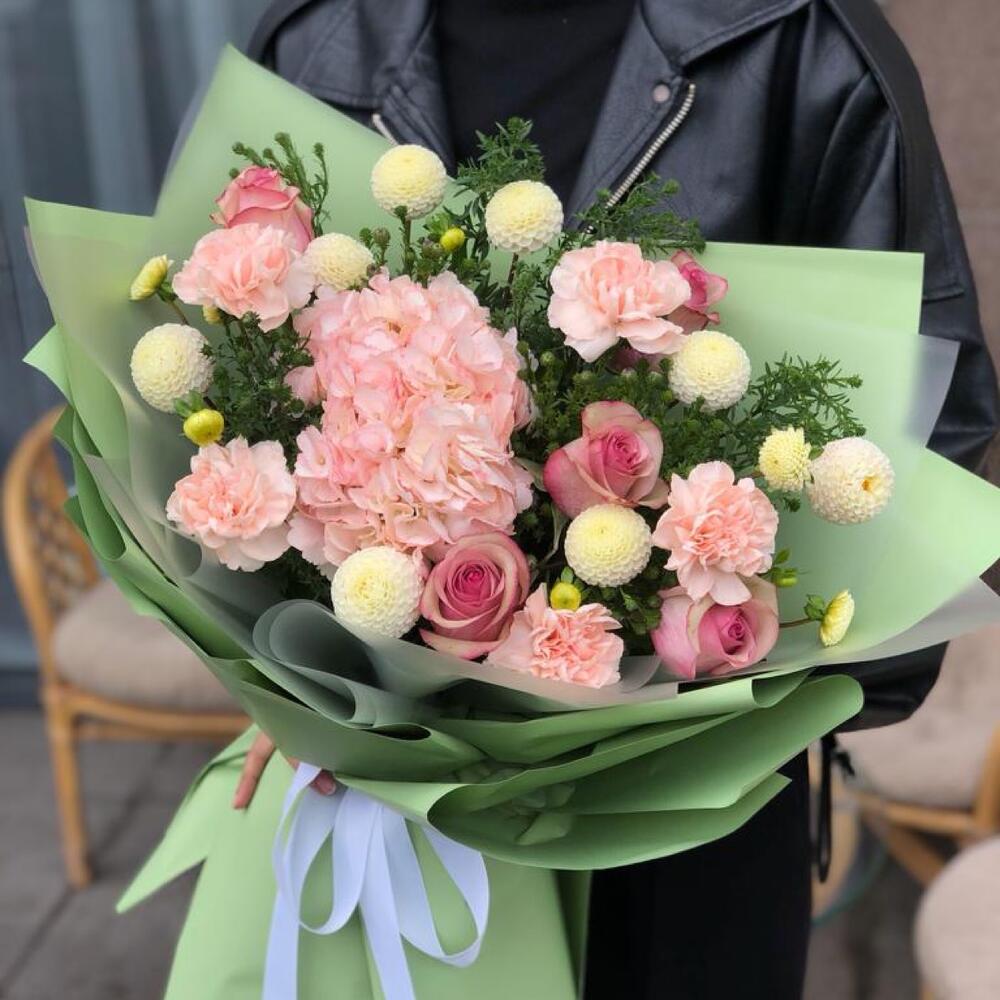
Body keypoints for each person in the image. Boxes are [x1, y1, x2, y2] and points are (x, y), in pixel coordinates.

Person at [234, 1, 1000, 997]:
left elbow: (925, 433)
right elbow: (236, 371)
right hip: (387, 794)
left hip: (689, 803)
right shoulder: (322, 38)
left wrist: (715, 672)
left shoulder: (796, 43)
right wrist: (299, 682)